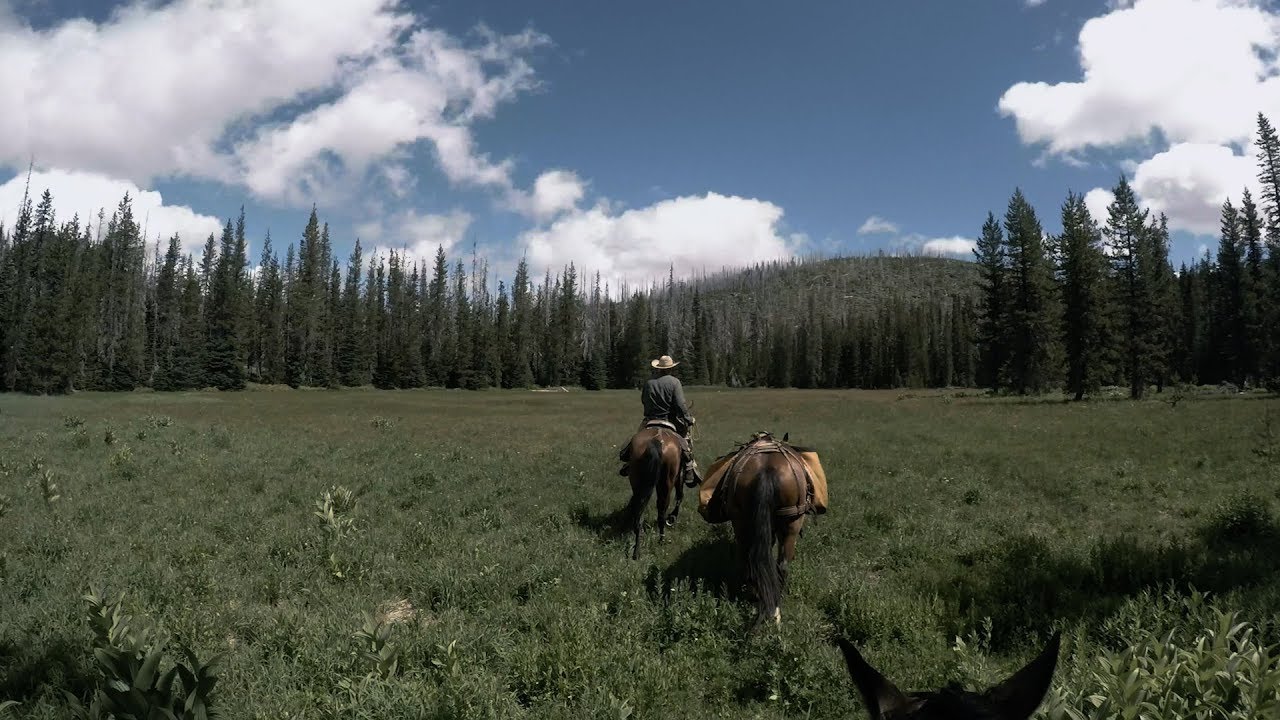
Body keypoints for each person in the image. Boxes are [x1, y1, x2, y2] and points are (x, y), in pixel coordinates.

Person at [618, 354, 703, 487]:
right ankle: (689, 468)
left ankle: (630, 462)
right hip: (670, 420)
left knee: (637, 438)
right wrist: (688, 419)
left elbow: (644, 401)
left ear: (658, 368)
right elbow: (681, 405)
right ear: (671, 368)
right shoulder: (675, 382)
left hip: (650, 420)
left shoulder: (649, 382)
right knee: (685, 442)